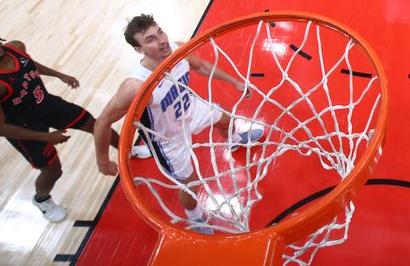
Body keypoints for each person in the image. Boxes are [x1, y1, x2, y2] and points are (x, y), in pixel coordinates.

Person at [93, 14, 263, 232]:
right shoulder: (135, 86)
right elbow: (102, 122)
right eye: (150, 40)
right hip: (167, 137)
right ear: (139, 50)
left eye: (160, 32)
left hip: (188, 107)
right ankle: (195, 218)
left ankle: (234, 140)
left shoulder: (177, 49)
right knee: (191, 184)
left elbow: (200, 65)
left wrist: (234, 81)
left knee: (226, 120)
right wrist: (102, 161)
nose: (161, 40)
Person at [0, 38, 117, 222]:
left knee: (96, 125)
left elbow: (30, 65)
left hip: (46, 104)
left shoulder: (16, 48)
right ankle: (42, 200)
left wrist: (59, 75)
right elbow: (1, 128)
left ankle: (130, 151)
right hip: (23, 126)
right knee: (53, 171)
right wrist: (45, 136)